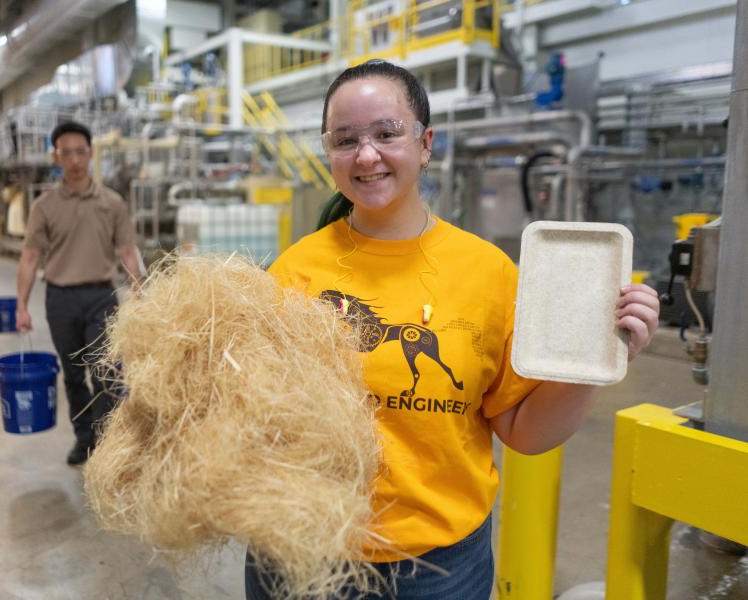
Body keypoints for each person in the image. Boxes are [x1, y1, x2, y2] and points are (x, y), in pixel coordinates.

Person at [246, 60, 660, 599]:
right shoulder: (294, 271)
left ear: (425, 143)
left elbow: (523, 430)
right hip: (301, 551)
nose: (366, 155)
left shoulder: (489, 274)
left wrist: (595, 357)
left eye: (387, 133)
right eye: (345, 140)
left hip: (437, 569)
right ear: (329, 153)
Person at [16, 121, 141, 466]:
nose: (74, 160)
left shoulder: (112, 203)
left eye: (80, 152)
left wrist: (139, 292)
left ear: (91, 154)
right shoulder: (44, 206)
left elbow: (128, 252)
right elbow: (30, 257)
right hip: (60, 301)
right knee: (72, 375)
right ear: (56, 157)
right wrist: (21, 305)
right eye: (66, 153)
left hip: (101, 296)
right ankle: (84, 439)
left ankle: (107, 442)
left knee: (105, 373)